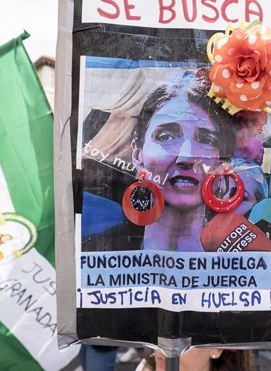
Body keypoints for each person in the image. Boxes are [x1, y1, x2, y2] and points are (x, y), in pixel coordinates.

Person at [83, 68, 237, 252]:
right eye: (166, 137)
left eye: (206, 140)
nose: (186, 157)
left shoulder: (249, 264)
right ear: (137, 155)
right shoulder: (95, 249)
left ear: (221, 163)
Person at [134, 348, 257, 371]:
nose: (164, 347)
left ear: (216, 348)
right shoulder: (146, 369)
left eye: (184, 340)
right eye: (159, 331)